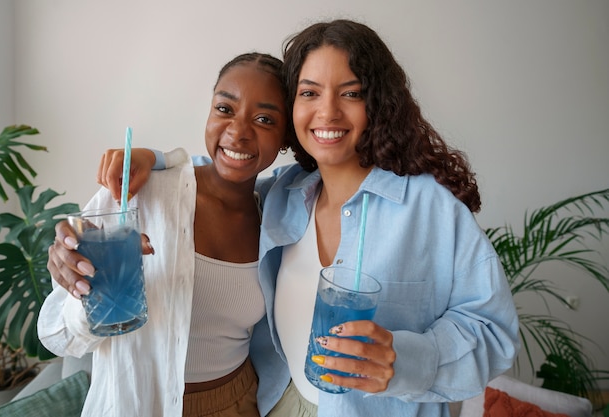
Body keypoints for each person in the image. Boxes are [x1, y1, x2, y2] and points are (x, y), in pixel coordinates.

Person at [64, 19, 520, 417]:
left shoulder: (429, 207)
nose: (327, 112)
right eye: (309, 93)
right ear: (293, 113)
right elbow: (227, 171)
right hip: (279, 405)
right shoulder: (284, 192)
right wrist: (158, 159)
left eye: (351, 94)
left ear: (378, 103)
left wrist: (406, 360)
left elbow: (493, 332)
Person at [38, 52, 290, 417]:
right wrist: (84, 290)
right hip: (138, 404)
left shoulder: (277, 216)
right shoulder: (138, 193)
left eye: (264, 119)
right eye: (224, 108)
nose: (238, 131)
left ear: (285, 137)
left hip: (238, 402)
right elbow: (59, 337)